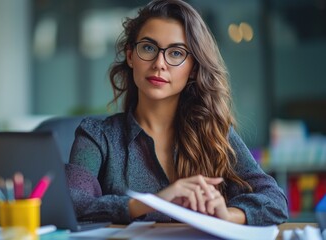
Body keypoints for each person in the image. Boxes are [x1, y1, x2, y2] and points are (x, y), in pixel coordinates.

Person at [67, 0, 288, 226]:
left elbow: (274, 201)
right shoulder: (96, 136)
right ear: (131, 55)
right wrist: (154, 202)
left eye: (175, 53)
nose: (159, 63)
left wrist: (227, 215)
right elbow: (72, 203)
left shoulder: (214, 134)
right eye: (148, 48)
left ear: (193, 68)